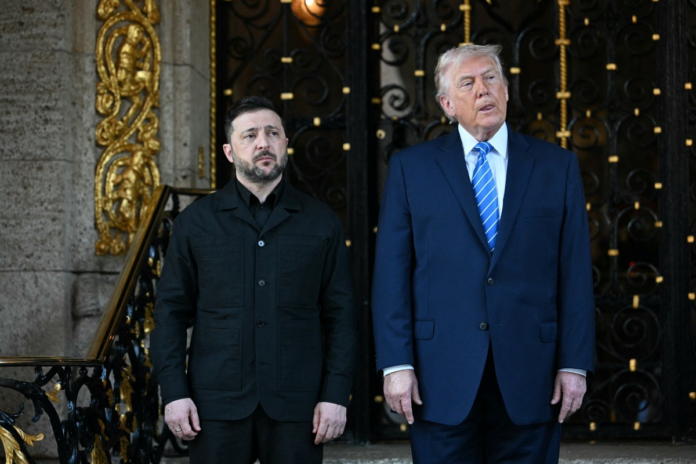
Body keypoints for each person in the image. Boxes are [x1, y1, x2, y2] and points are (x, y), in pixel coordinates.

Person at [371, 44, 595, 463]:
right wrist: (396, 364)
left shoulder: (556, 166)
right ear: (447, 104)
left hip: (533, 375)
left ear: (506, 91)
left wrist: (574, 364)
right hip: (439, 378)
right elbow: (392, 273)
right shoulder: (411, 169)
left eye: (491, 78)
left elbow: (575, 270)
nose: (482, 90)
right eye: (467, 83)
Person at [151, 96, 357, 464]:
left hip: (298, 406)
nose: (263, 143)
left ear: (285, 144)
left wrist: (335, 394)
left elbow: (341, 316)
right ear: (229, 152)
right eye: (250, 135)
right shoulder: (195, 223)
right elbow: (170, 313)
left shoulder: (321, 222)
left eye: (272, 133)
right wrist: (175, 391)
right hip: (214, 405)